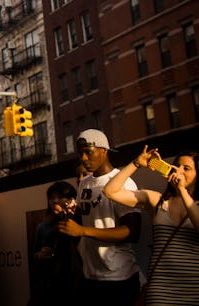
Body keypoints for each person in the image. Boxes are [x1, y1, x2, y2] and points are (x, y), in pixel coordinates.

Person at [103, 147, 199, 305]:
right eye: (176, 165)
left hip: (194, 289)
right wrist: (137, 164)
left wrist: (182, 190)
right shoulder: (158, 201)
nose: (178, 170)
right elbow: (110, 191)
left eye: (186, 168)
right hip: (161, 289)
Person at [57, 129, 141, 306]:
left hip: (118, 276)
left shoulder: (123, 182)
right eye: (81, 154)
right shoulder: (85, 183)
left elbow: (132, 231)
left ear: (104, 150)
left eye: (88, 152)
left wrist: (83, 230)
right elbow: (82, 221)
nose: (84, 159)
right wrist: (68, 221)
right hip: (90, 274)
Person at [28, 181, 82, 306]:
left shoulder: (79, 224)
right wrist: (39, 255)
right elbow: (34, 256)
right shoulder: (43, 227)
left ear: (71, 200)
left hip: (74, 283)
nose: (55, 201)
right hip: (49, 283)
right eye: (51, 197)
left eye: (60, 197)